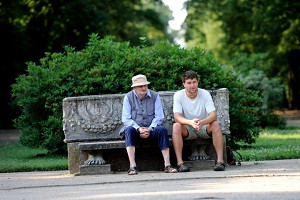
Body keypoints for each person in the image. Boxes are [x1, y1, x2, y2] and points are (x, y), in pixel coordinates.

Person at [120, 74, 177, 175]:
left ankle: (167, 165)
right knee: (128, 130)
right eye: (140, 86)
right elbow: (126, 119)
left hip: (151, 128)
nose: (143, 88)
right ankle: (132, 166)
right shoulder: (128, 97)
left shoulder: (155, 96)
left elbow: (159, 117)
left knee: (162, 130)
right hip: (135, 130)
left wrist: (149, 129)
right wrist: (139, 129)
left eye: (145, 85)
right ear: (134, 88)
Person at [172, 70, 225, 172]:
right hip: (188, 127)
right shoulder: (178, 95)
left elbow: (213, 115)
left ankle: (220, 162)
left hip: (203, 126)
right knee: (176, 126)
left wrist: (202, 122)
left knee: (215, 125)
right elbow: (177, 117)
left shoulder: (205, 94)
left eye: (194, 82)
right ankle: (180, 164)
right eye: (189, 83)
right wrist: (190, 122)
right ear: (184, 84)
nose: (192, 85)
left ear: (197, 82)